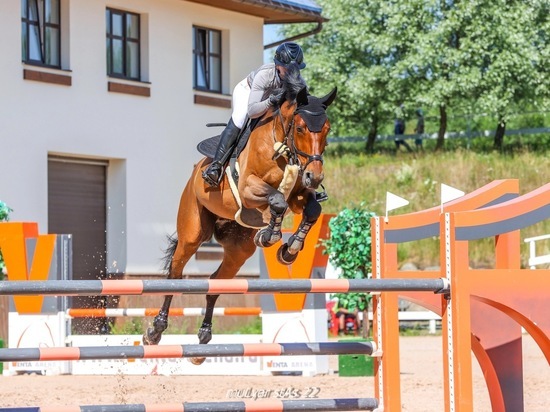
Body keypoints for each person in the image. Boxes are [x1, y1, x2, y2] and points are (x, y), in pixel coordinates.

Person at [202, 42, 306, 187]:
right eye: (287, 68)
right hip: (248, 92)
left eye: (295, 69)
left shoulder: (298, 82)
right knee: (240, 118)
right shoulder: (265, 75)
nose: (291, 73)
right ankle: (216, 166)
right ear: (277, 65)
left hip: (269, 99)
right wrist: (270, 101)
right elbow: (252, 111)